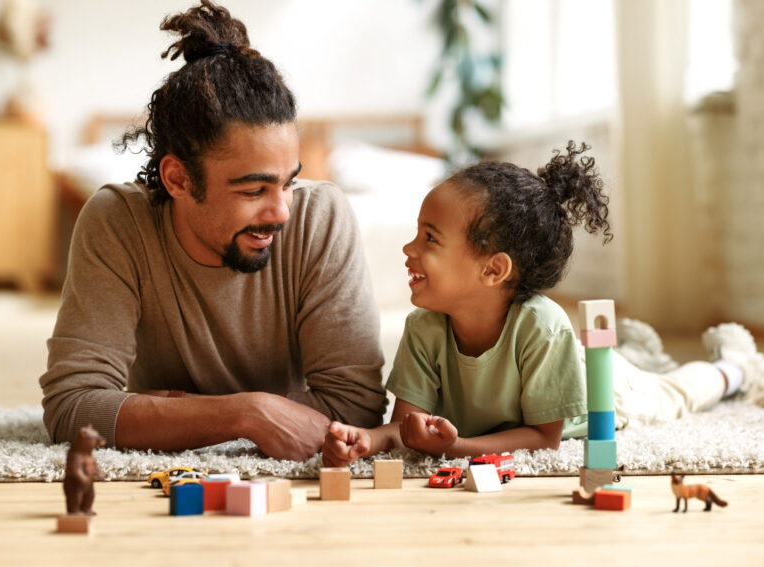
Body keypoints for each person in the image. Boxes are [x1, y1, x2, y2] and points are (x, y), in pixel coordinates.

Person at [39, 1, 387, 461]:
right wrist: (245, 414)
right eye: (253, 189)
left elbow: (356, 408)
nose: (281, 211)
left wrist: (172, 410)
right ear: (178, 179)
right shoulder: (117, 222)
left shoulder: (321, 218)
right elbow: (72, 409)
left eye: (288, 181)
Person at [322, 141, 764, 466]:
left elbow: (543, 439)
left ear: (493, 270)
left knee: (674, 394)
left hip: (604, 397)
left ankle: (735, 369)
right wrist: (368, 440)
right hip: (565, 370)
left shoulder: (542, 326)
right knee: (626, 360)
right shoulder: (424, 327)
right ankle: (636, 351)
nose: (409, 248)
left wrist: (455, 449)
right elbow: (404, 426)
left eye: (430, 238)